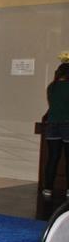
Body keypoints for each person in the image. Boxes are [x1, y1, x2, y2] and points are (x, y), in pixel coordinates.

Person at [43, 62, 69, 199]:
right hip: (67, 123)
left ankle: (48, 188)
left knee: (53, 158)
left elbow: (52, 106)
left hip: (52, 124)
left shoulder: (51, 87)